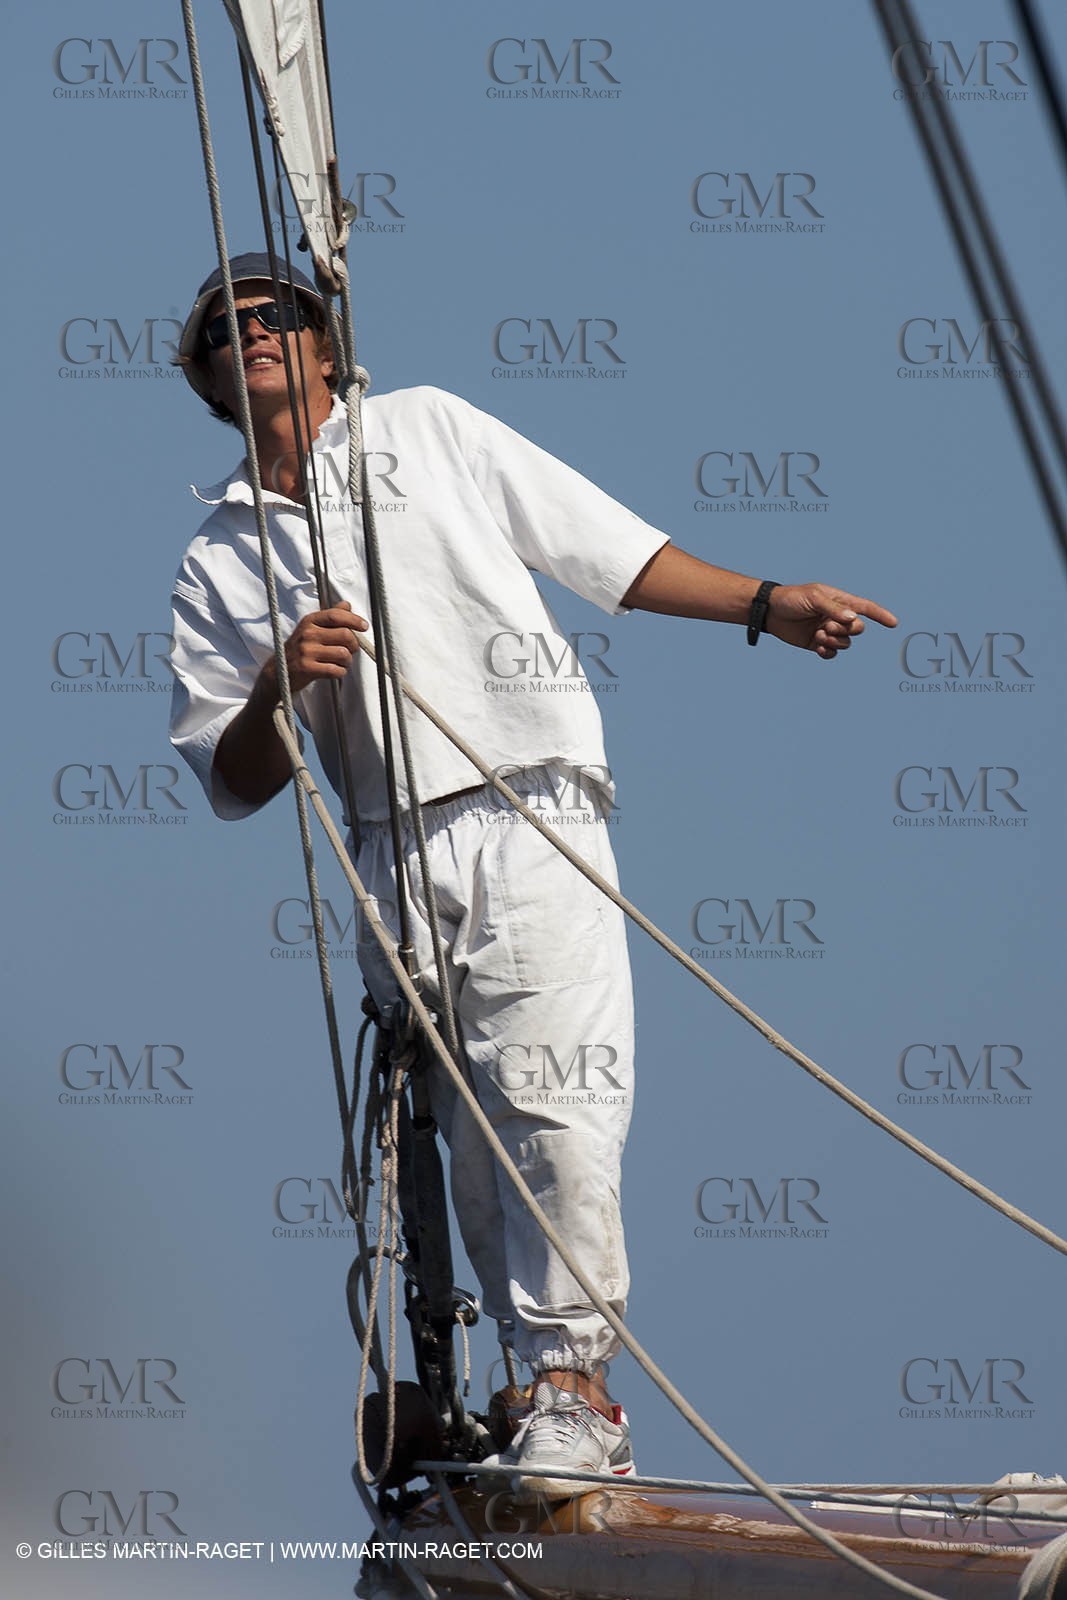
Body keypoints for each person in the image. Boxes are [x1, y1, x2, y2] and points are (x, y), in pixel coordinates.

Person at [168, 253, 897, 1499]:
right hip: (389, 843)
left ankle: (574, 1385)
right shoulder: (219, 555)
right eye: (224, 331)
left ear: (328, 344)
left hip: (529, 804)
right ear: (208, 381)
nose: (254, 333)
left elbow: (601, 549)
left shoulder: (429, 427)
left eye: (277, 314)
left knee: (557, 1100)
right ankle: (522, 1391)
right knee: (469, 1142)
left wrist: (762, 602)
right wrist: (280, 680)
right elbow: (231, 775)